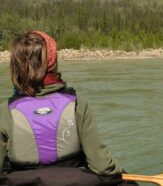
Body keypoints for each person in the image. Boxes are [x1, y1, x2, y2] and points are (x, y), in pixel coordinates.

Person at [0, 31, 133, 186]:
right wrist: (120, 171)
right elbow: (101, 166)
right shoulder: (77, 104)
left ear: (16, 66)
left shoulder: (5, 111)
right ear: (53, 62)